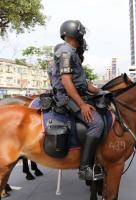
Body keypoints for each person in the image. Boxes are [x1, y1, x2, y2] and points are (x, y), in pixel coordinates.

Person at [52, 20, 104, 181]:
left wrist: (99, 90)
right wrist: (82, 105)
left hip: (75, 94)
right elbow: (67, 81)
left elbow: (81, 82)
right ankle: (84, 168)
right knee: (97, 123)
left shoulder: (72, 52)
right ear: (75, 33)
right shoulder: (66, 52)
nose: (82, 37)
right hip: (66, 98)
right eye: (81, 33)